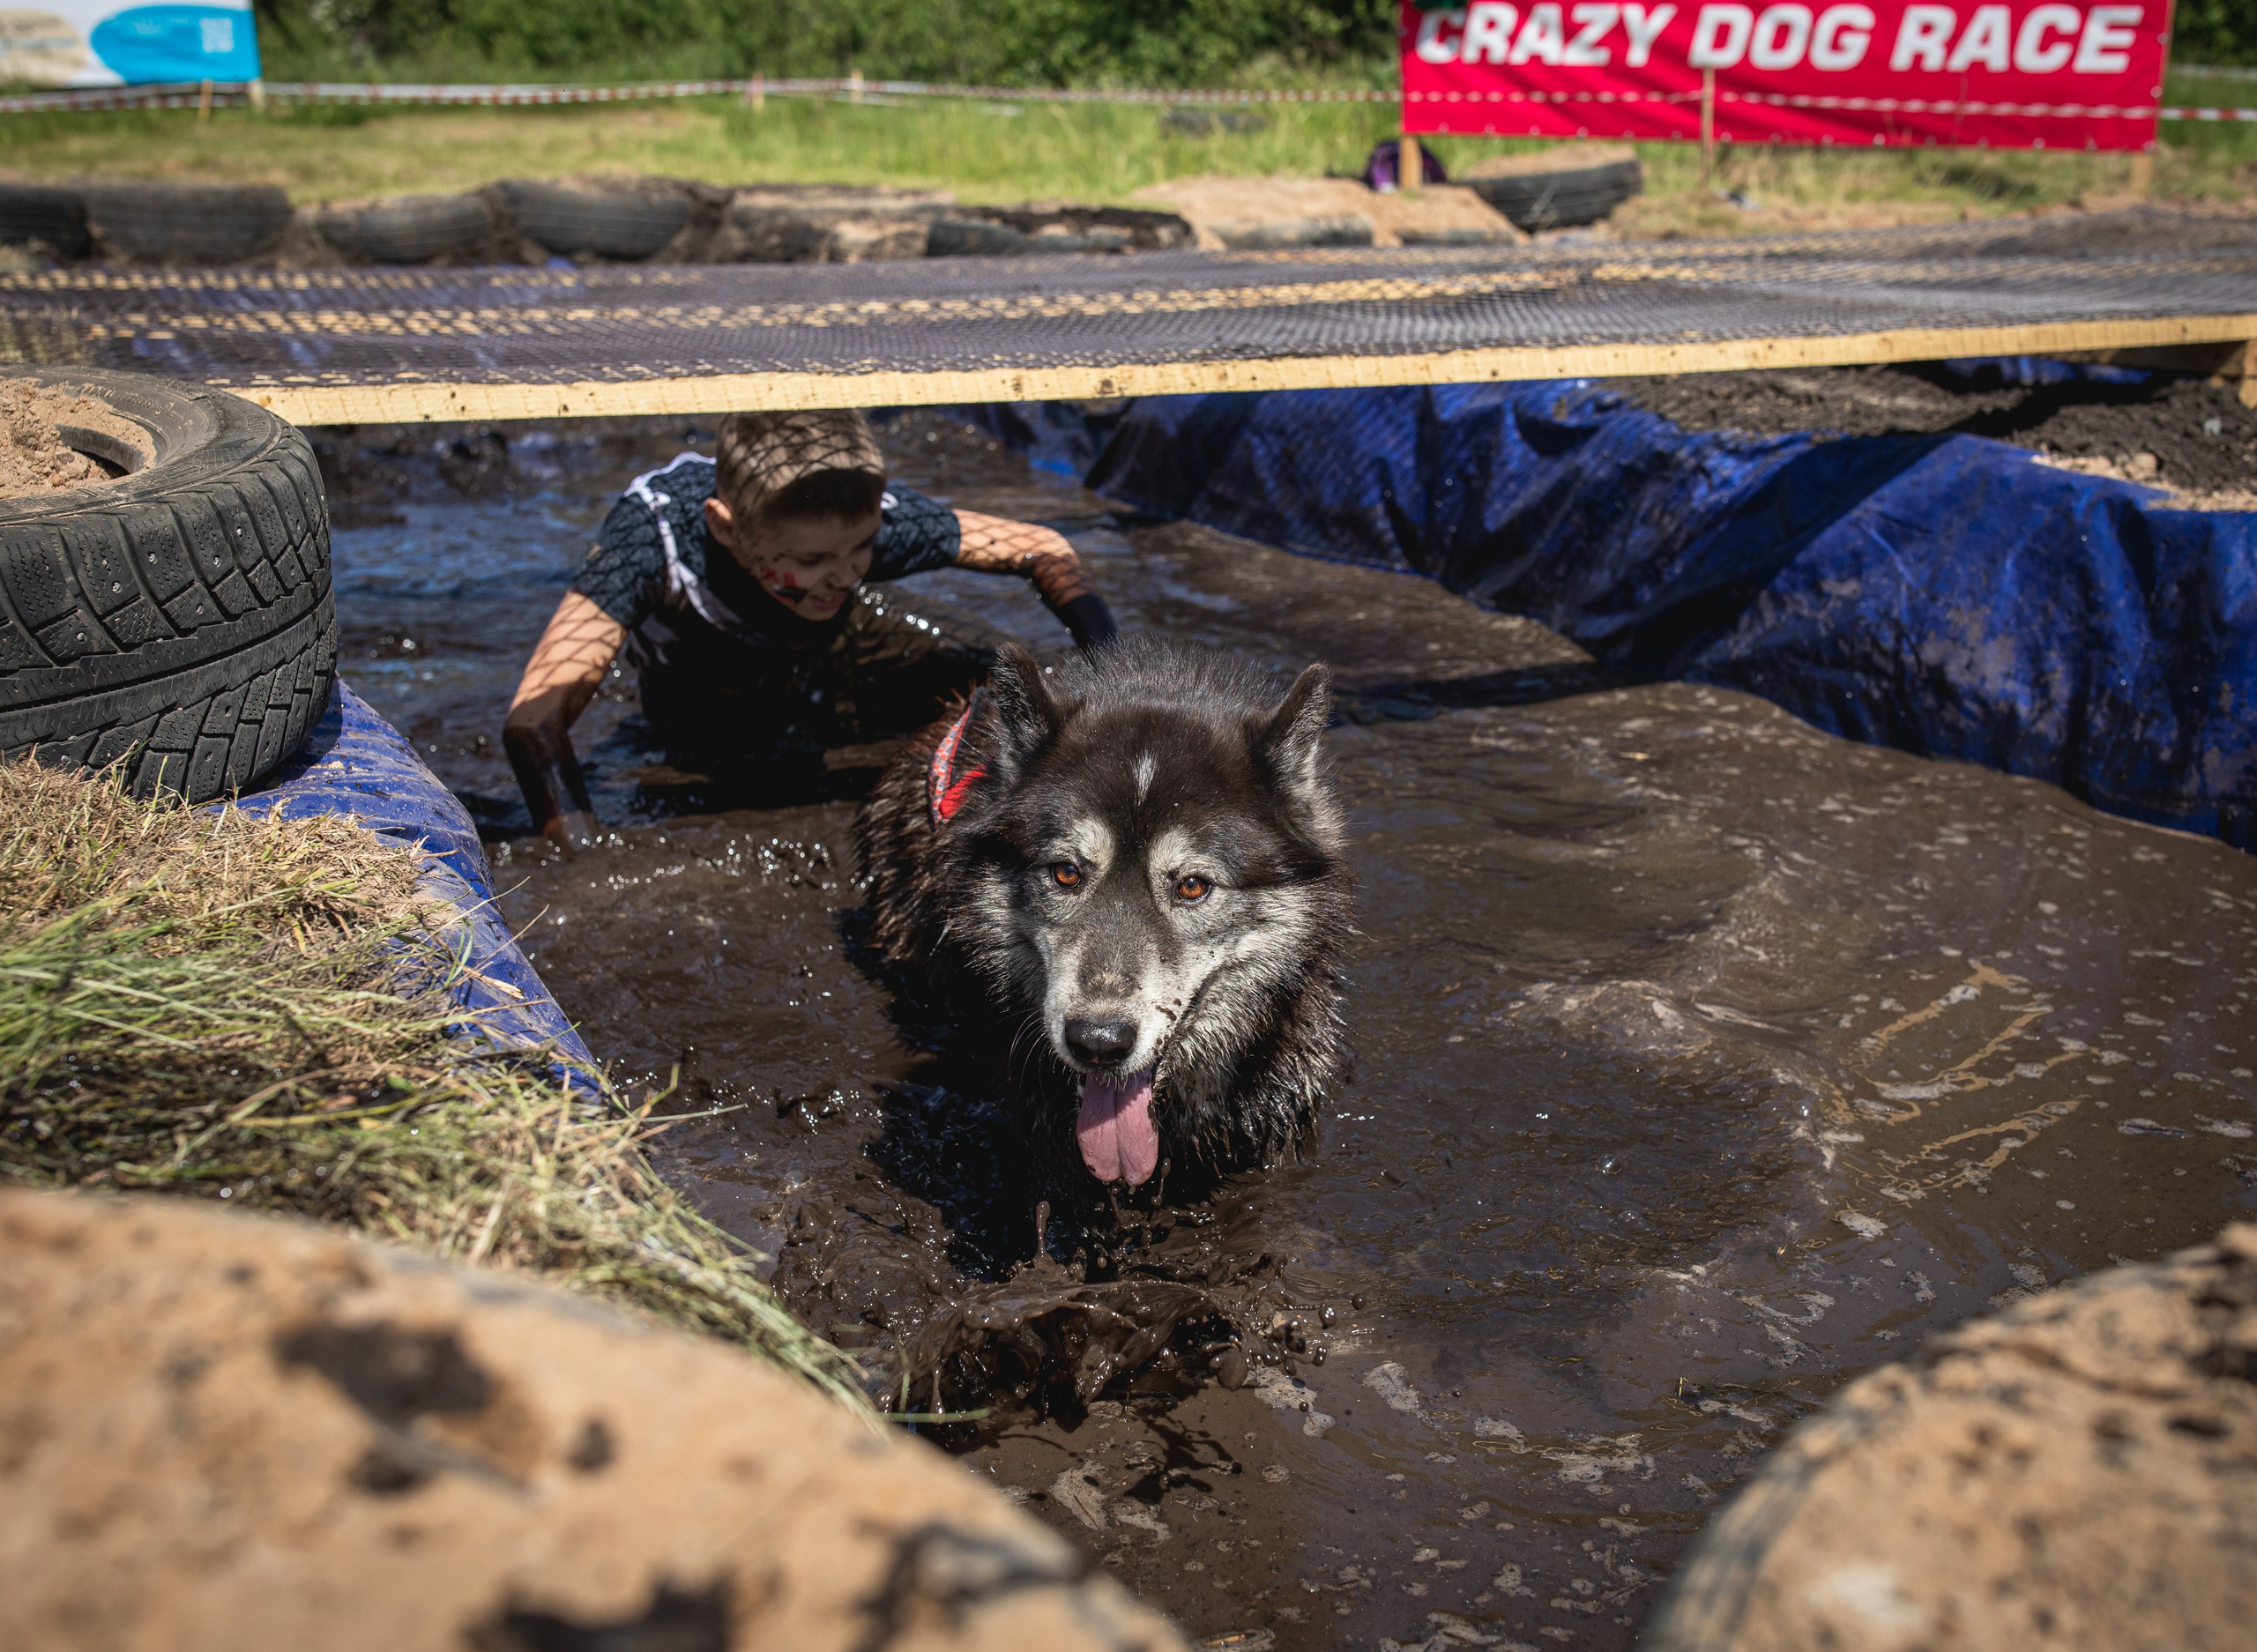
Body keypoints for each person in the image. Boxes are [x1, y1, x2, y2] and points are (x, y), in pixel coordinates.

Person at [503, 408, 1115, 848]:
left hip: (838, 634)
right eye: (813, 558)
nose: (843, 571)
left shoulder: (864, 519)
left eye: (862, 546)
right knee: (736, 769)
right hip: (701, 669)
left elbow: (1043, 549)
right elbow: (534, 720)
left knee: (1007, 689)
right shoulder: (651, 538)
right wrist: (580, 855)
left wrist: (1108, 670)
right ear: (725, 528)